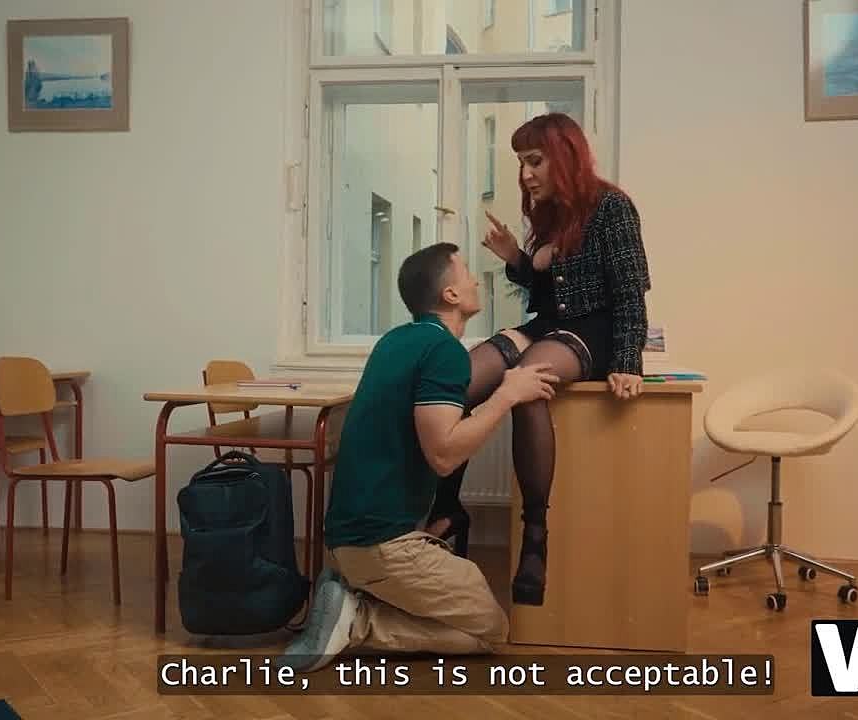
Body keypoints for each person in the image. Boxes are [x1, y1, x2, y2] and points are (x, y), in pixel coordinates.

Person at [278, 242, 561, 673]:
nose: (474, 280)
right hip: (381, 545)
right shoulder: (444, 352)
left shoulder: (396, 341)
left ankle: (353, 592)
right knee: (490, 630)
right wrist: (507, 395)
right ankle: (359, 621)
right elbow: (444, 455)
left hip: (351, 537)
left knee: (464, 587)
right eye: (466, 273)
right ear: (450, 294)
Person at [423, 113, 652, 607]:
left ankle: (535, 536)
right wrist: (516, 260)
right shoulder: (552, 215)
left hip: (593, 331)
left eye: (535, 161)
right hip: (548, 325)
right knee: (458, 380)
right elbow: (549, 290)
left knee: (527, 384)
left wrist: (628, 361)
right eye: (521, 163)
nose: (525, 174)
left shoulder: (611, 206)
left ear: (564, 157)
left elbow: (630, 291)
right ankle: (446, 506)